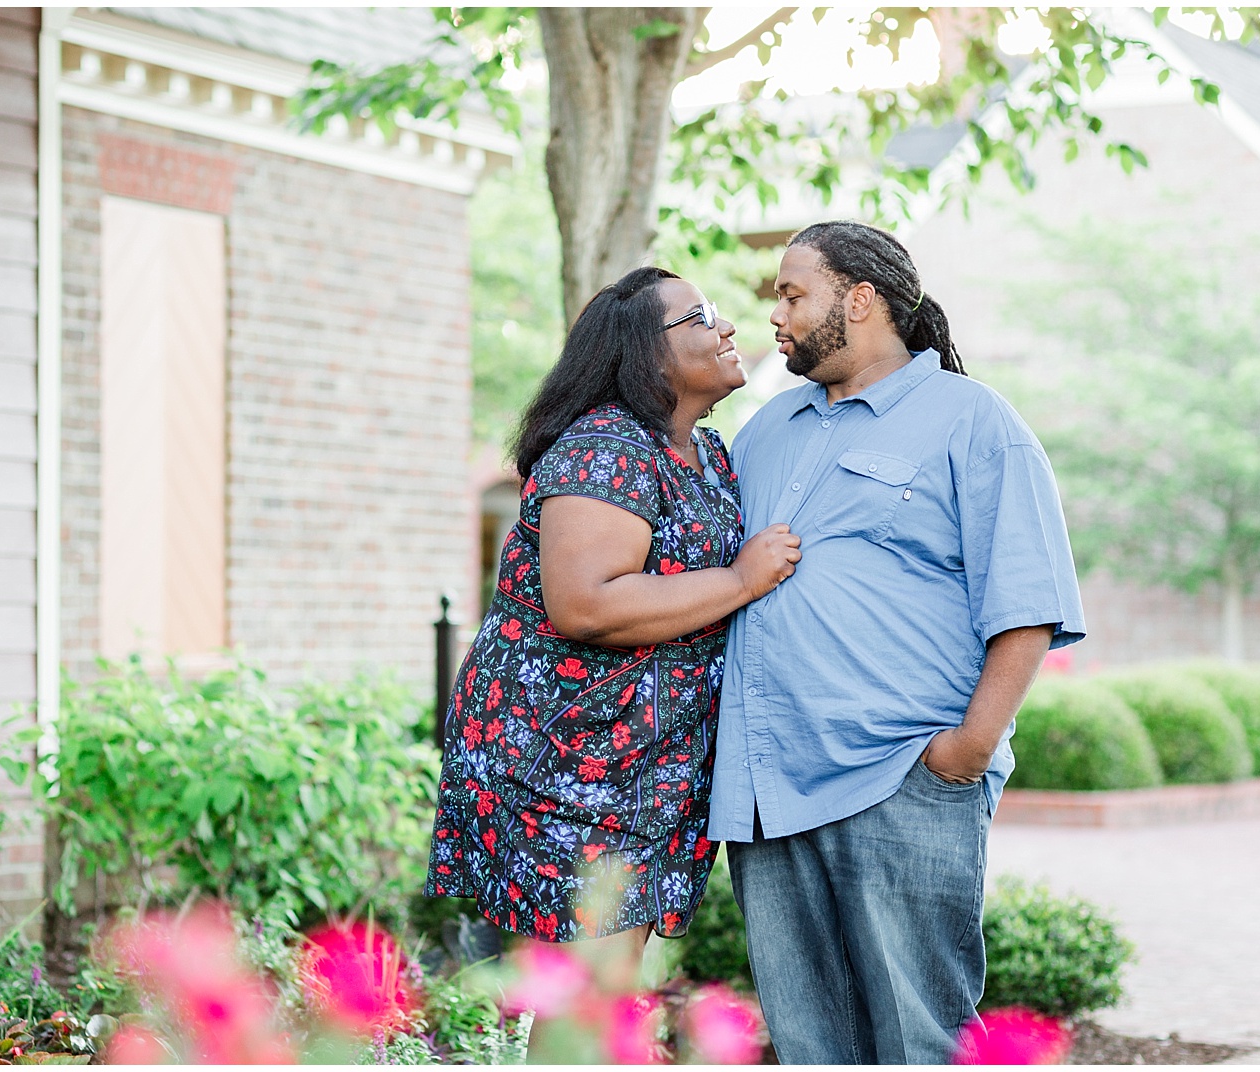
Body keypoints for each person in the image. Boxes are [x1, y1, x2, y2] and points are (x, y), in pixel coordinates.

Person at [709, 221, 1086, 1064]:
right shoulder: (766, 429)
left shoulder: (973, 420)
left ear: (862, 298)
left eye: (793, 294)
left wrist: (966, 749)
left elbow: (1027, 603)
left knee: (920, 1040)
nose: (776, 316)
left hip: (900, 776)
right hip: (769, 788)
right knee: (810, 1042)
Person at [424, 266, 803, 991]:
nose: (726, 327)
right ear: (641, 354)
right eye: (699, 317)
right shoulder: (606, 448)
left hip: (644, 767)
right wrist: (741, 581)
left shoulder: (704, 455)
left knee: (606, 992)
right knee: (589, 1002)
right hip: (567, 765)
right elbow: (586, 604)